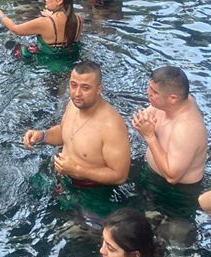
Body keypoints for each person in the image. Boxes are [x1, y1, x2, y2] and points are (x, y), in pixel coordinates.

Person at [23, 61, 131, 205]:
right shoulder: (74, 104)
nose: (77, 93)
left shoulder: (111, 126)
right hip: (63, 178)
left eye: (85, 88)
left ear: (99, 89)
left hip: (92, 192)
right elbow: (64, 132)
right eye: (73, 85)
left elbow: (120, 176)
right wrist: (42, 136)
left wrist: (79, 171)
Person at [130, 66, 207, 217]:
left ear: (173, 99)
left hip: (177, 194)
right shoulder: (171, 102)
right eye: (149, 87)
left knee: (167, 237)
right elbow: (148, 114)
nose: (148, 93)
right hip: (150, 176)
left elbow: (172, 177)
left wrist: (150, 136)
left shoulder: (187, 129)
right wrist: (141, 122)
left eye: (154, 92)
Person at [0, 0, 82, 66]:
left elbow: (16, 29)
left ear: (59, 0)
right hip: (70, 62)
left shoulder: (44, 22)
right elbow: (63, 28)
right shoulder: (79, 19)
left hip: (47, 64)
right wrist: (52, 16)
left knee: (19, 51)